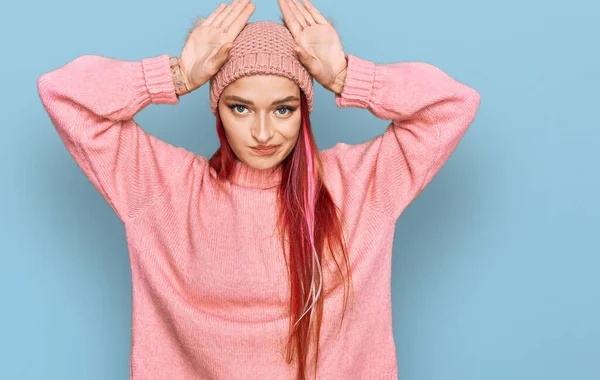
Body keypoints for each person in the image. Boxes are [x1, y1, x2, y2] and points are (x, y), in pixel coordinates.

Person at [37, 0, 480, 379]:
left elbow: (453, 104)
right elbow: (62, 92)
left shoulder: (360, 185)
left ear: (304, 111)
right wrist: (177, 76)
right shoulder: (162, 189)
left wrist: (346, 76)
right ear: (218, 108)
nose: (263, 131)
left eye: (283, 108)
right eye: (241, 107)